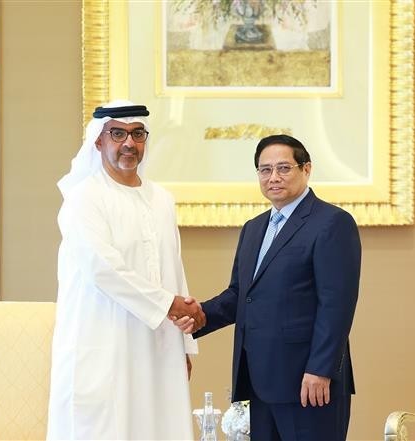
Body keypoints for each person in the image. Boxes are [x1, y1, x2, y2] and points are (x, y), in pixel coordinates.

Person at [175, 134, 361, 440]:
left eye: (284, 168)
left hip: (309, 384)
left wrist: (320, 369)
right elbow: (241, 296)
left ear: (307, 169)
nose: (273, 177)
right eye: (265, 170)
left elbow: (337, 305)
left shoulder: (332, 223)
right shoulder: (254, 228)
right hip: (259, 383)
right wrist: (197, 317)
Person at [47, 100, 204, 440]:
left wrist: (185, 343)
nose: (129, 143)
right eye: (117, 134)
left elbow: (173, 268)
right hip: (104, 343)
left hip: (158, 345)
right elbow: (104, 269)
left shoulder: (161, 199)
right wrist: (170, 305)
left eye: (137, 134)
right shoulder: (83, 198)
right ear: (98, 141)